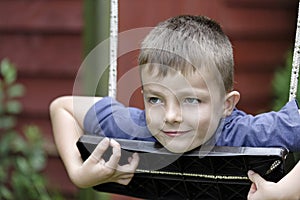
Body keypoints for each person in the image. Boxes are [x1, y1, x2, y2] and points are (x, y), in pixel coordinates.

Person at [50, 15, 300, 189]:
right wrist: (78, 174)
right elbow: (63, 108)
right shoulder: (139, 130)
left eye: (191, 100)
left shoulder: (251, 135)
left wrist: (290, 189)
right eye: (156, 99)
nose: (170, 116)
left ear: (227, 105)